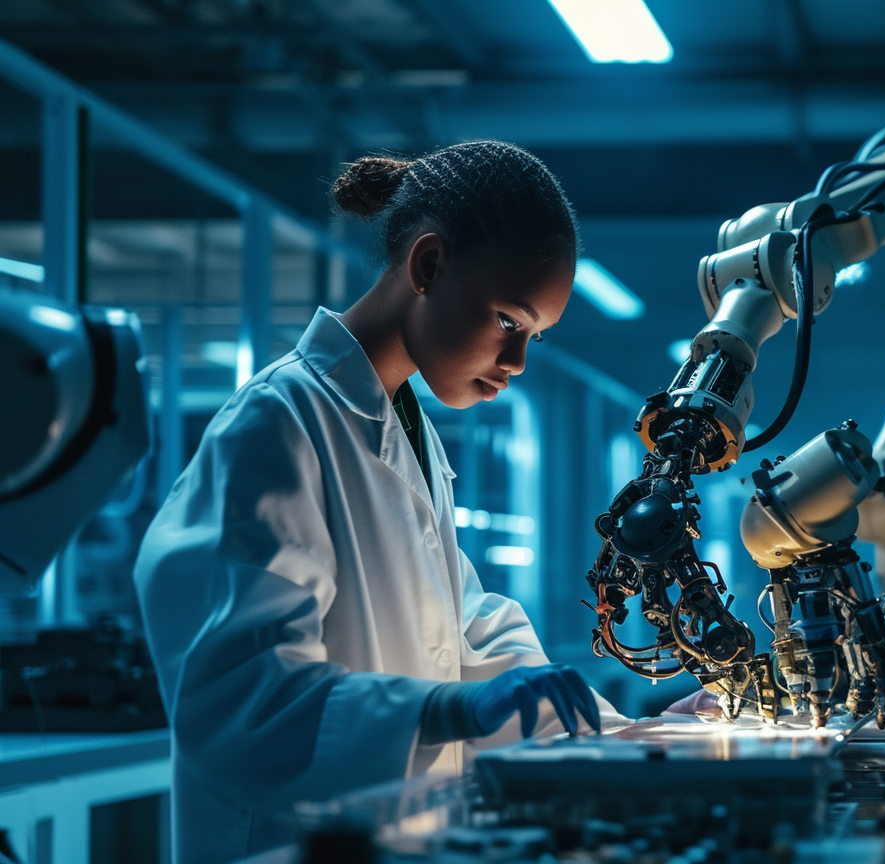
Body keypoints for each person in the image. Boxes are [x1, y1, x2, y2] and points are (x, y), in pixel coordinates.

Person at [134, 142, 626, 864]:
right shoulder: (277, 424)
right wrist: (443, 709)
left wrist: (631, 735)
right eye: (508, 322)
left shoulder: (405, 428)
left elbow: (464, 634)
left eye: (535, 336)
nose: (518, 363)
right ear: (428, 266)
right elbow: (242, 699)